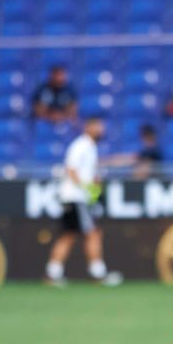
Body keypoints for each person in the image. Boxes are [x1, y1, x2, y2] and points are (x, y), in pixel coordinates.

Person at [45, 116, 121, 286]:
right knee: (93, 233)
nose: (101, 130)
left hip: (73, 197)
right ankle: (98, 273)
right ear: (88, 127)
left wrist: (94, 182)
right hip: (76, 197)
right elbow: (71, 169)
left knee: (68, 235)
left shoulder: (89, 146)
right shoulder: (82, 145)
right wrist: (87, 188)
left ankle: (53, 273)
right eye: (98, 126)